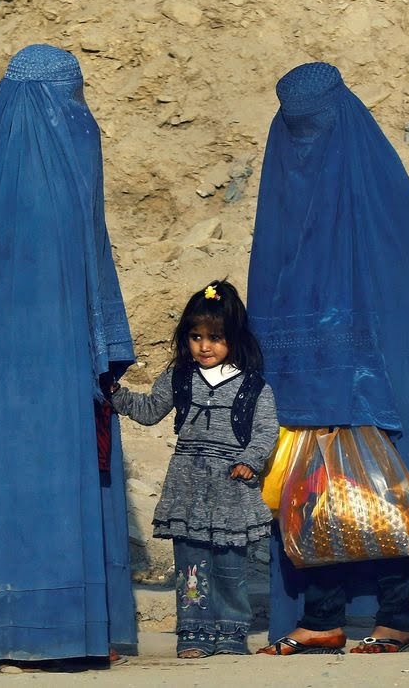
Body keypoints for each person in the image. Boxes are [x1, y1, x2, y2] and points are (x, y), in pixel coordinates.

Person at [0, 44, 138, 663]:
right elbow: (90, 264)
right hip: (57, 363)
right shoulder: (66, 161)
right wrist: (106, 348)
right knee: (56, 469)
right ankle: (63, 628)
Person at [247, 61, 409, 656]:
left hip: (377, 369)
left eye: (312, 124)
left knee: (383, 486)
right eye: (294, 126)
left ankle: (394, 617)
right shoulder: (285, 170)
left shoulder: (379, 183)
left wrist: (354, 353)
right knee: (313, 491)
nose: (303, 137)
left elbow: (390, 281)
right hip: (307, 363)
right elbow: (273, 272)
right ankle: (321, 617)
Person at [109, 279, 278, 658]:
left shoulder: (254, 387)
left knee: (231, 566)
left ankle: (232, 632)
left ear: (234, 337)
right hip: (188, 484)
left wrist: (250, 462)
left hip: (231, 487)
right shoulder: (179, 377)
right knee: (191, 565)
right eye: (196, 336)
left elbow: (267, 431)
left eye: (215, 337)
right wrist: (116, 396)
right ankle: (195, 632)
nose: (205, 346)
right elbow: (150, 410)